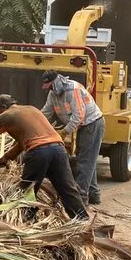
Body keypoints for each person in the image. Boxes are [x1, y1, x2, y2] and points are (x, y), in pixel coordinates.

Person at [0, 94, 88, 220]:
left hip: (38, 152)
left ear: (3, 107)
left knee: (27, 190)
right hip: (59, 149)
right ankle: (83, 221)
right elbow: (22, 144)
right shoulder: (32, 109)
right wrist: (4, 159)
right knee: (67, 188)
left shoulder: (6, 116)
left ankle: (28, 222)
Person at [40, 71, 105, 206]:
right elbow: (46, 112)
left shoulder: (73, 89)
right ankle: (94, 195)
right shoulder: (53, 94)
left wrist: (64, 132)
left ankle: (81, 199)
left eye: (51, 86)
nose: (50, 89)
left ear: (57, 82)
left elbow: (79, 115)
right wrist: (35, 122)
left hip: (92, 124)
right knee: (87, 159)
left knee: (84, 161)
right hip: (83, 127)